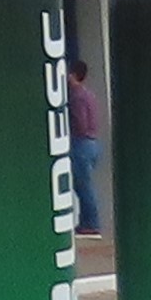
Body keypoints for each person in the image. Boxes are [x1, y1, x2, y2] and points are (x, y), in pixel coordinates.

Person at [65, 52, 106, 238]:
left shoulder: (76, 96)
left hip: (81, 144)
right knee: (85, 184)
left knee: (83, 185)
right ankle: (87, 222)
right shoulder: (89, 95)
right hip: (93, 144)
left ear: (73, 75)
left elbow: (80, 122)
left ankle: (91, 223)